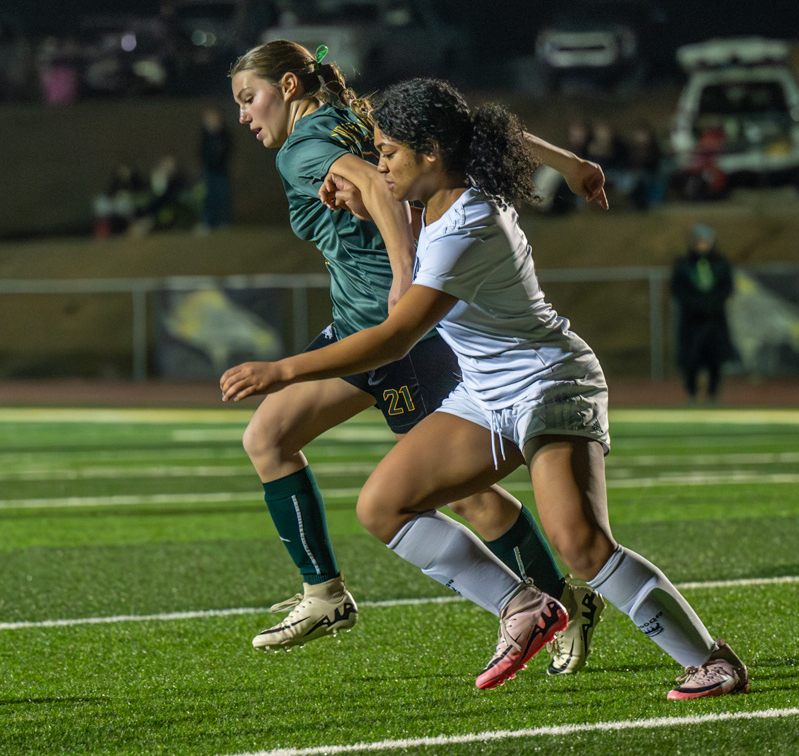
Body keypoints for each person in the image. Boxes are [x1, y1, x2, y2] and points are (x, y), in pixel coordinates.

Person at [221, 78, 749, 700]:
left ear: (432, 153)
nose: (378, 162)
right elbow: (487, 132)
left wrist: (282, 371)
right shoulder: (435, 197)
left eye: (388, 152)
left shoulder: (468, 221)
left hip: (550, 384)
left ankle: (713, 661)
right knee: (383, 506)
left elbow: (395, 340)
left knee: (580, 544)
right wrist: (573, 164)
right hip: (487, 394)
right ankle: (522, 604)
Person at [229, 40, 607, 677]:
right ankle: (325, 595)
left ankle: (558, 601)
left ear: (289, 86)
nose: (243, 115)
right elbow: (475, 129)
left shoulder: (301, 149)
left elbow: (377, 186)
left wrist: (404, 272)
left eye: (249, 98)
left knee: (466, 496)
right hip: (358, 323)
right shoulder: (355, 111)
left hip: (394, 336)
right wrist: (568, 163)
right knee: (269, 434)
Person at [671, 224, 736, 404]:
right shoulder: (684, 265)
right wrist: (696, 305)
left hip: (715, 320)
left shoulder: (721, 264)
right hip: (691, 321)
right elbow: (678, 290)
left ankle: (713, 395)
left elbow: (726, 288)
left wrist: (712, 305)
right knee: (691, 359)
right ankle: (692, 393)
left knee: (715, 359)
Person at [199, 106, 234, 231]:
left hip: (221, 171)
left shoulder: (224, 135)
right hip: (209, 171)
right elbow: (202, 152)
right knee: (209, 197)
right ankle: (208, 222)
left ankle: (223, 222)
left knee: (222, 196)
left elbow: (227, 151)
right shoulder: (205, 135)